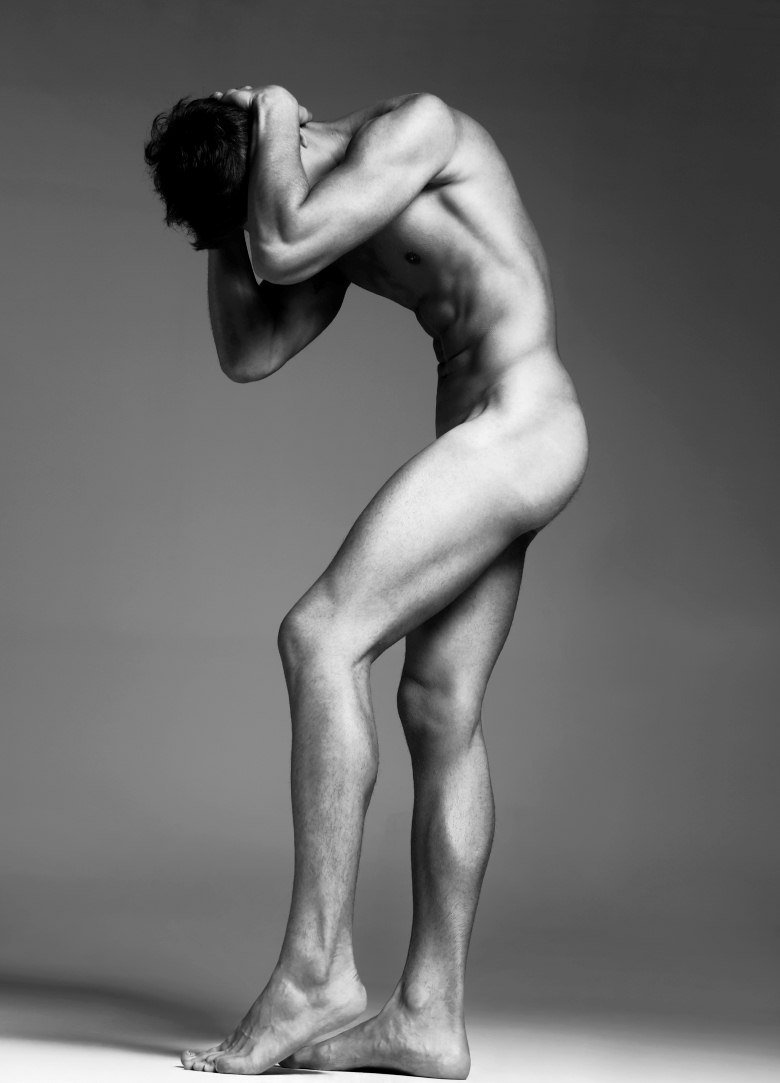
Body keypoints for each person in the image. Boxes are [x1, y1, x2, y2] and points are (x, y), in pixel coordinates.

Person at [144, 83, 588, 1077]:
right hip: (491, 440)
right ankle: (430, 1015)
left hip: (520, 422)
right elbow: (248, 352)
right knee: (438, 704)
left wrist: (272, 113)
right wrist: (222, 227)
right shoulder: (313, 227)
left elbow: (283, 244)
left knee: (320, 636)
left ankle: (314, 975)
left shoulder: (412, 129)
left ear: (292, 139)